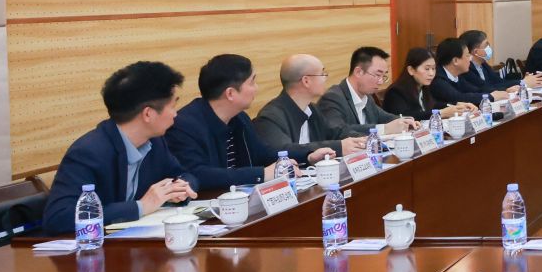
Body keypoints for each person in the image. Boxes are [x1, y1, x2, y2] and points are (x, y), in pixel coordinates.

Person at [41, 61, 197, 233]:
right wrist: (141, 206)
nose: (176, 114)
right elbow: (59, 217)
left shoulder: (155, 142)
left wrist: (182, 187)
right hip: (99, 247)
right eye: (173, 106)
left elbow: (183, 174)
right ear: (148, 114)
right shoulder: (88, 152)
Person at [164, 53, 298, 192]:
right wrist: (262, 174)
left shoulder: (239, 117)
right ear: (230, 94)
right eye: (252, 82)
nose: (256, 88)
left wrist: (307, 155)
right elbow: (197, 174)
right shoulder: (183, 126)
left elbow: (262, 154)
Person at [253, 54, 367, 158]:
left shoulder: (312, 109)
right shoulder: (270, 117)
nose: (325, 78)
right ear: (306, 81)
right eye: (322, 74)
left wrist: (363, 140)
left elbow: (336, 133)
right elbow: (284, 150)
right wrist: (339, 147)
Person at [316, 45, 416, 140]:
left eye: (384, 76)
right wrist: (384, 129)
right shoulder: (333, 97)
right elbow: (338, 131)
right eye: (377, 75)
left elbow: (385, 117)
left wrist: (406, 121)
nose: (381, 81)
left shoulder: (367, 97)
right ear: (358, 72)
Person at [428, 36, 493, 109]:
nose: (470, 59)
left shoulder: (457, 76)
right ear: (455, 61)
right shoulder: (438, 79)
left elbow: (475, 90)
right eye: (467, 55)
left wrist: (495, 93)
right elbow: (459, 98)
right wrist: (491, 96)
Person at [381, 46, 442, 119]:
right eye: (427, 69)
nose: (431, 73)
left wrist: (451, 106)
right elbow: (404, 116)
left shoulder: (423, 87)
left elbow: (433, 105)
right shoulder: (395, 92)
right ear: (411, 70)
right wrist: (438, 113)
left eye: (433, 68)